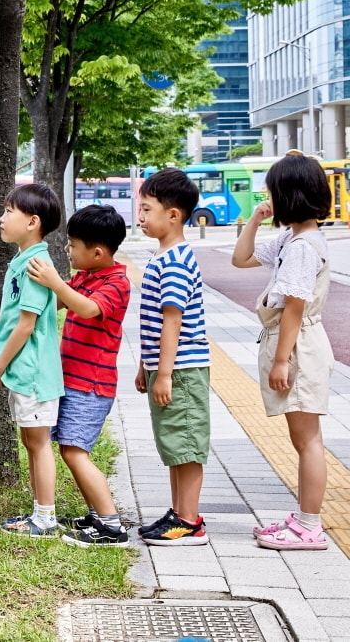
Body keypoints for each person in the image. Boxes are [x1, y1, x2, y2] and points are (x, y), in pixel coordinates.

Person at [231, 151, 334, 551]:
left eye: (271, 191)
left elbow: (294, 307)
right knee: (303, 438)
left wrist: (280, 362)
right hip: (296, 343)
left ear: (290, 194)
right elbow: (240, 259)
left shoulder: (303, 246)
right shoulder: (293, 238)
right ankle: (304, 518)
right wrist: (256, 219)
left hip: (299, 347)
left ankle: (309, 526)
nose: (267, 197)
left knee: (308, 441)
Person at [26, 204, 132, 547]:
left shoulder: (117, 282)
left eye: (72, 245)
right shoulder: (85, 276)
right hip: (71, 380)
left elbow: (87, 308)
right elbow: (58, 302)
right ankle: (97, 514)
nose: (67, 250)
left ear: (97, 252)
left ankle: (112, 526)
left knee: (74, 450)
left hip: (92, 385)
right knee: (69, 448)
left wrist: (55, 282)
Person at [135, 168, 210, 546]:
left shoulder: (176, 261)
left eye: (147, 209)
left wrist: (163, 373)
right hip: (166, 367)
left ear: (174, 215)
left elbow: (172, 321)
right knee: (174, 443)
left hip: (181, 369)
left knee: (187, 443)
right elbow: (155, 322)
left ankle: (190, 521)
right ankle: (179, 512)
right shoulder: (163, 256)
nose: (140, 216)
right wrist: (145, 366)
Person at [0, 183, 64, 536]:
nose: (2, 218)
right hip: (24, 371)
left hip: (32, 372)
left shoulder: (36, 264)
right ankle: (38, 512)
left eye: (9, 212)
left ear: (32, 222)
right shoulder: (24, 260)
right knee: (31, 442)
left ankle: (46, 517)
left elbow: (25, 324)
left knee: (38, 443)